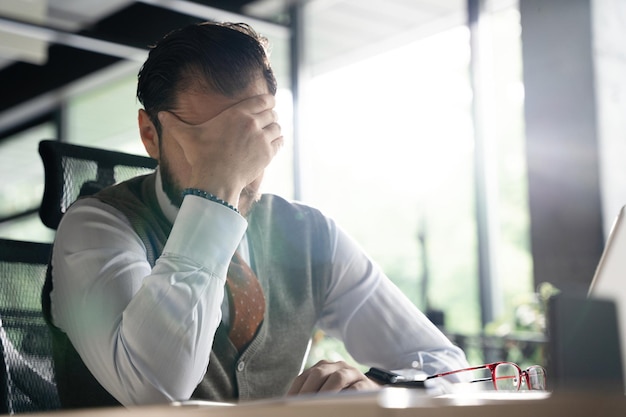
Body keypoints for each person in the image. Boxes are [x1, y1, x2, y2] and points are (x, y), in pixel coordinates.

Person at [42, 21, 468, 408]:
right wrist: (216, 195)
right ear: (150, 135)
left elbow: (447, 365)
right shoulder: (94, 228)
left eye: (251, 133)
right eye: (212, 143)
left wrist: (379, 387)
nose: (239, 162)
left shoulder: (307, 234)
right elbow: (156, 391)